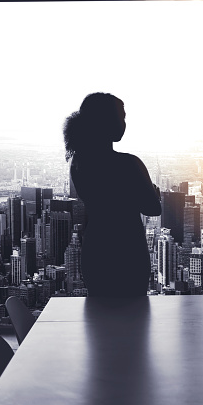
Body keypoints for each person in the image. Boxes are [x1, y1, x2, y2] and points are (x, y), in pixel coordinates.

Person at [63, 92, 161, 297]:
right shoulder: (128, 164)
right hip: (128, 249)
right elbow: (153, 207)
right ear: (105, 121)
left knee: (101, 319)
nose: (124, 123)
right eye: (121, 117)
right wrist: (153, 191)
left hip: (95, 249)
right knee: (133, 318)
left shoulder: (78, 163)